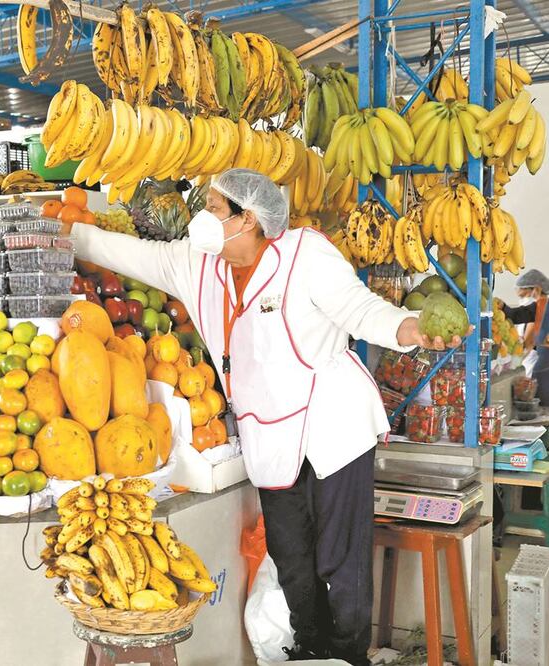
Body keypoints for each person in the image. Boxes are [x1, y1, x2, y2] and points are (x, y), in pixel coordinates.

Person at [62, 169, 463, 665]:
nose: (201, 218)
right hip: (268, 435)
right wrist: (67, 231)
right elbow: (131, 254)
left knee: (341, 561)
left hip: (331, 425)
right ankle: (310, 652)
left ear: (247, 218)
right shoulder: (198, 265)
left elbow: (362, 311)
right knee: (293, 561)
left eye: (212, 207)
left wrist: (412, 329)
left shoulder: (304, 254)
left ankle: (348, 656)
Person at [500, 269, 549, 403]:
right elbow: (518, 314)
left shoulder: (543, 305)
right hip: (542, 362)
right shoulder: (539, 306)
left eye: (526, 294)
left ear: (537, 289)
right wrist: (503, 307)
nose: (525, 300)